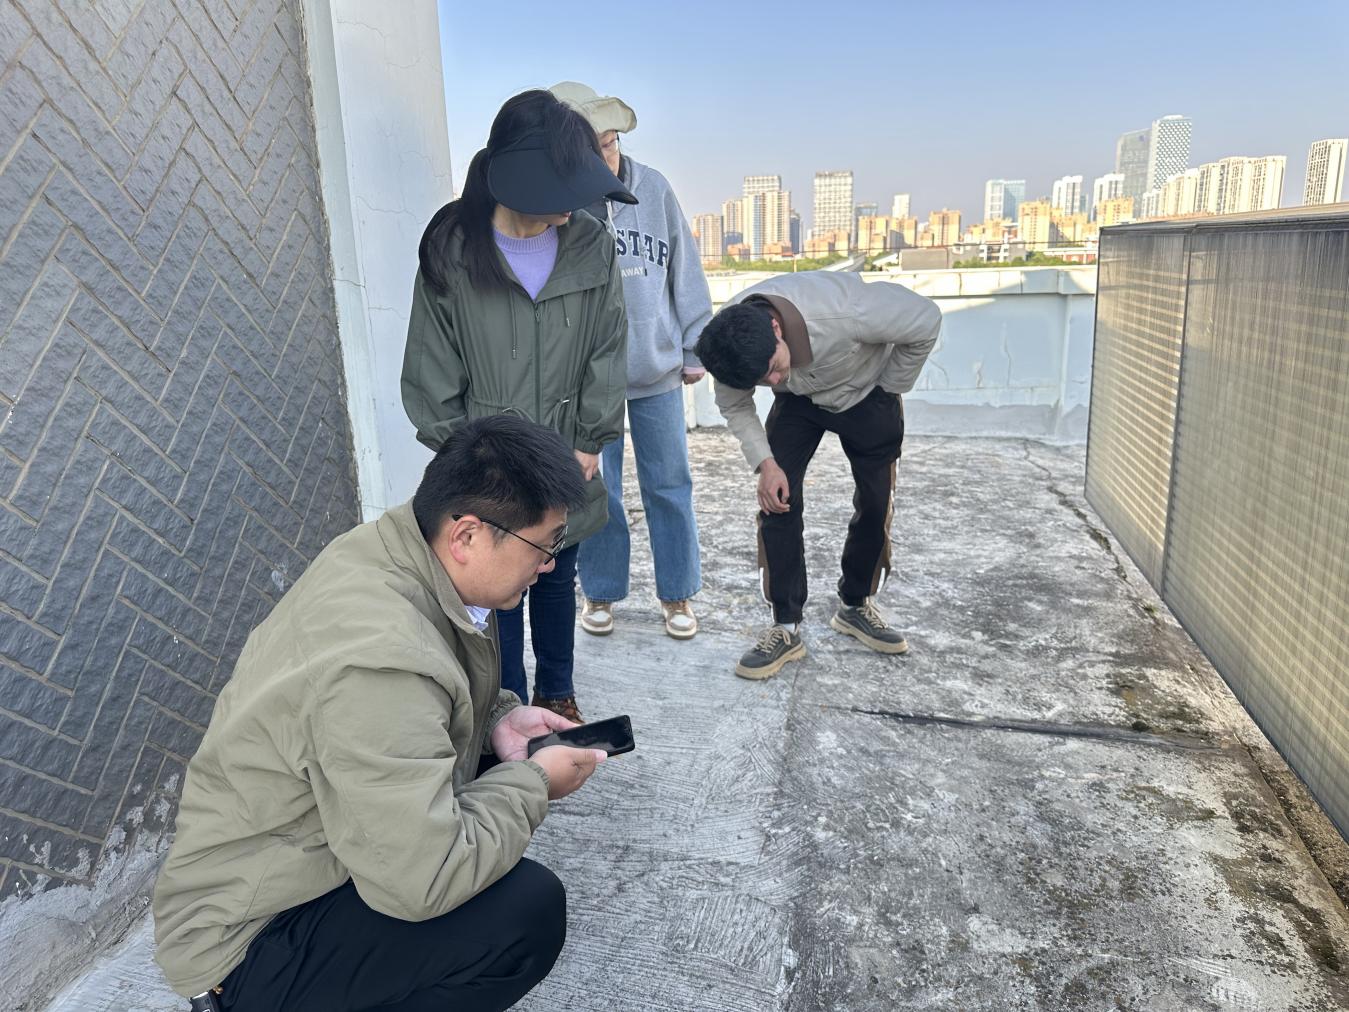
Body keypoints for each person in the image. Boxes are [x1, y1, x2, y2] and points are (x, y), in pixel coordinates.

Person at [152, 415, 609, 1012]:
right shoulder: (378, 659)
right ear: (468, 536)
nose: (549, 564)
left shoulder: (395, 553)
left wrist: (498, 720)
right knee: (525, 913)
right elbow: (425, 879)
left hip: (305, 861)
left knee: (491, 834)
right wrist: (534, 783)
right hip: (248, 940)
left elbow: (431, 696)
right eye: (544, 545)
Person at [403, 90, 633, 721]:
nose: (572, 206)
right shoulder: (452, 250)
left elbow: (608, 345)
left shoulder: (591, 243)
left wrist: (589, 439)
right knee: (495, 593)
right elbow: (430, 369)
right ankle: (501, 707)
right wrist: (471, 461)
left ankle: (557, 692)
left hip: (566, 458)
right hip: (490, 469)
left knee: (556, 576)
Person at [694, 272, 941, 679]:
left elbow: (926, 319)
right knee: (777, 501)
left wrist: (889, 387)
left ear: (776, 328)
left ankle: (856, 605)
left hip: (866, 391)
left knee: (876, 501)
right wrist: (766, 464)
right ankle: (785, 625)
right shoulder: (727, 344)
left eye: (772, 368)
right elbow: (736, 406)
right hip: (799, 402)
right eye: (762, 381)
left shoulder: (847, 311)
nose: (773, 381)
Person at [548, 82, 712, 641]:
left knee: (669, 485)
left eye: (611, 143)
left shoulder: (655, 188)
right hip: (588, 380)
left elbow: (685, 268)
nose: (607, 157)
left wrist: (694, 345)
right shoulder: (561, 205)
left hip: (657, 371)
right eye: (593, 148)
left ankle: (677, 592)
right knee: (598, 491)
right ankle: (600, 591)